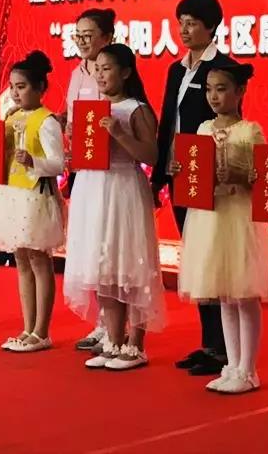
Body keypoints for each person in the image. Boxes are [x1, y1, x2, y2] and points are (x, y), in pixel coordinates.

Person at [173, 64, 268, 393]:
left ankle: (248, 369)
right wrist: (183, 170)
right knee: (224, 296)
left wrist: (242, 177)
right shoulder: (203, 128)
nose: (214, 96)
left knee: (244, 295)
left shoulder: (250, 131)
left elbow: (266, 179)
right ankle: (231, 365)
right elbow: (196, 171)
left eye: (221, 89)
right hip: (210, 217)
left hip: (239, 217)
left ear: (240, 92)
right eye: (209, 89)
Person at [64, 43, 166, 371]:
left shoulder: (136, 109)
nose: (100, 75)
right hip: (92, 189)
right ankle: (112, 340)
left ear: (125, 72)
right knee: (103, 269)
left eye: (107, 68)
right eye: (97, 69)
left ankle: (136, 346)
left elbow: (151, 156)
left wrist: (119, 133)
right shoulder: (91, 109)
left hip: (122, 189)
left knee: (130, 268)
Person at [152, 0, 237, 377]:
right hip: (178, 173)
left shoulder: (223, 68)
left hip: (207, 175)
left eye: (192, 23)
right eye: (181, 23)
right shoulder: (177, 69)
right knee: (197, 256)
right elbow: (167, 122)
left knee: (213, 256)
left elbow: (229, 124)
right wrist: (159, 173)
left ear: (211, 27)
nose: (184, 30)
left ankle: (224, 348)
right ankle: (209, 343)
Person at [0, 51, 66, 353]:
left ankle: (41, 331)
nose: (15, 92)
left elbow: (58, 163)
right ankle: (27, 328)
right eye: (12, 86)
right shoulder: (11, 117)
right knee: (21, 261)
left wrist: (34, 161)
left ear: (40, 88)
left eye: (21, 86)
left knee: (39, 260)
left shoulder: (47, 120)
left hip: (36, 196)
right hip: (12, 193)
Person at [63, 8, 116, 353]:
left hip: (111, 172)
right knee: (89, 247)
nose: (82, 42)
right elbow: (72, 116)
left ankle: (116, 327)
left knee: (109, 249)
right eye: (78, 35)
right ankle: (101, 322)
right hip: (84, 170)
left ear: (107, 37)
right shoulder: (76, 73)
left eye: (88, 35)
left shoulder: (115, 72)